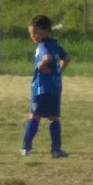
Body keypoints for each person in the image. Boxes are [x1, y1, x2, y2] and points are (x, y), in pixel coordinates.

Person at [21, 15, 70, 158]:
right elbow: (66, 58)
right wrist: (59, 71)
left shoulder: (42, 46)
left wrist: (40, 66)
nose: (33, 36)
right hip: (55, 87)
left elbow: (46, 58)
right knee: (53, 117)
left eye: (35, 32)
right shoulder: (55, 44)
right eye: (31, 33)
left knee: (34, 116)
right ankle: (56, 150)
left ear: (46, 31)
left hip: (40, 88)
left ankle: (26, 147)